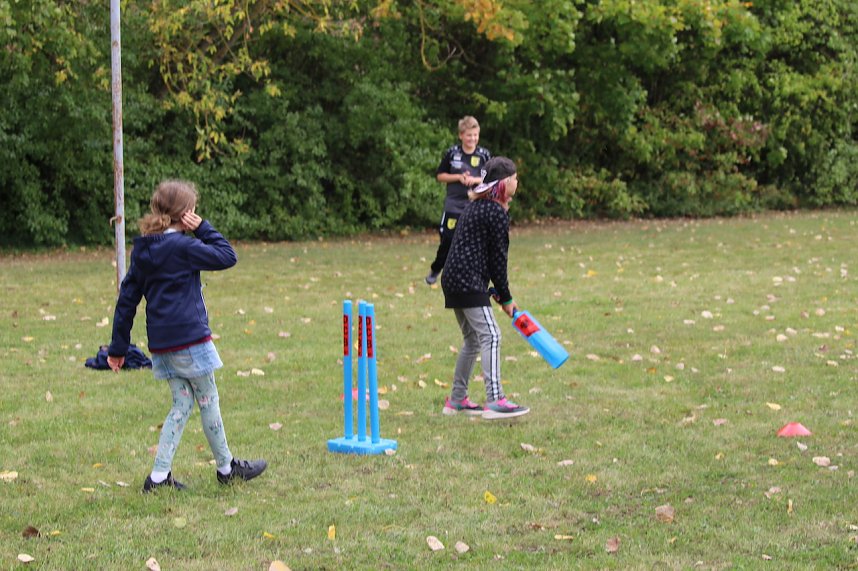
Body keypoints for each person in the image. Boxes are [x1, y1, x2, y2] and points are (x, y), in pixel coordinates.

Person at [107, 180, 267, 493]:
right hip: (191, 342)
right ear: (187, 214)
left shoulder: (143, 250)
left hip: (162, 346)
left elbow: (127, 299)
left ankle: (157, 478)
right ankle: (226, 468)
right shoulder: (183, 247)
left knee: (182, 405)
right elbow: (227, 255)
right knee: (208, 399)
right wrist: (203, 228)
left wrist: (118, 347)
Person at [440, 157, 529, 419]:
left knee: (472, 340)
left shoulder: (479, 206)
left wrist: (496, 293)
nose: (517, 182)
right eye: (514, 178)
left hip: (454, 279)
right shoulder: (494, 212)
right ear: (503, 183)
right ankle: (495, 400)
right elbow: (497, 261)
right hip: (467, 279)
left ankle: (456, 400)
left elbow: (482, 255)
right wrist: (506, 297)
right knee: (492, 336)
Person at [426, 116, 492, 285]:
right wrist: (458, 177)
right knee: (447, 240)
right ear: (461, 135)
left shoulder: (484, 155)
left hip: (476, 205)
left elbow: (491, 180)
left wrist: (475, 181)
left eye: (475, 135)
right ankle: (436, 269)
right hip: (454, 205)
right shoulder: (452, 153)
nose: (473, 139)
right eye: (469, 135)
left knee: (476, 242)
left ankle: (472, 275)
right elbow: (440, 176)